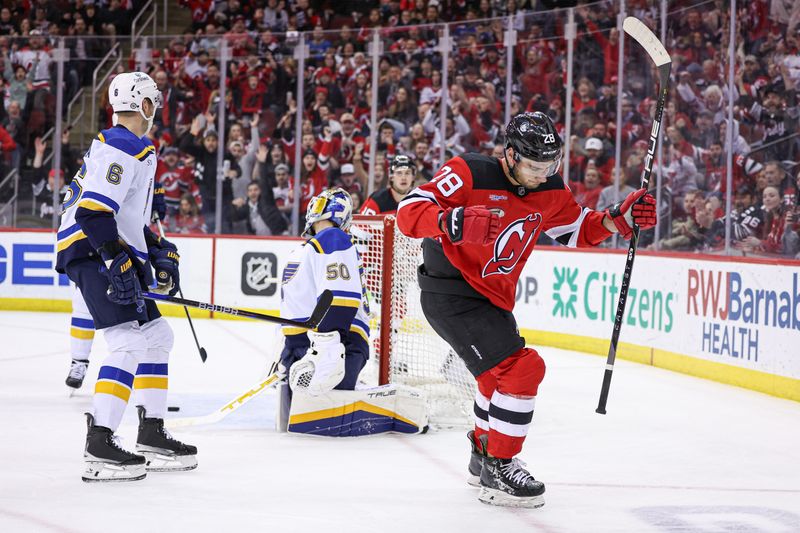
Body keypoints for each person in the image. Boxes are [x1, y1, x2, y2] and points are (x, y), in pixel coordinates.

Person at [396, 112, 657, 508]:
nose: (542, 173)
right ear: (511, 155)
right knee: (523, 369)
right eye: (534, 165)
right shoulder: (469, 171)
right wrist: (451, 221)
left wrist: (618, 219)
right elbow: (408, 213)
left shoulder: (549, 187)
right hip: (450, 292)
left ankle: (482, 454)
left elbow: (578, 229)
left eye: (549, 165)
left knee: (492, 379)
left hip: (491, 298)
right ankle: (500, 465)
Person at [55, 72, 197, 482]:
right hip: (92, 251)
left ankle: (151, 433)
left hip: (105, 247)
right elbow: (93, 214)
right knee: (128, 341)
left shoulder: (131, 147)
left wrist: (156, 248)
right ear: (146, 106)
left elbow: (124, 217)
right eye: (155, 103)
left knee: (157, 336)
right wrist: (116, 261)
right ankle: (99, 441)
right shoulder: (123, 145)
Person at [277, 188, 426, 436]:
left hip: (305, 349)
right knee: (322, 420)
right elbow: (339, 300)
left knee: (300, 420)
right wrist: (327, 353)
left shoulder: (301, 250)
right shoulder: (333, 238)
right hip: (335, 348)